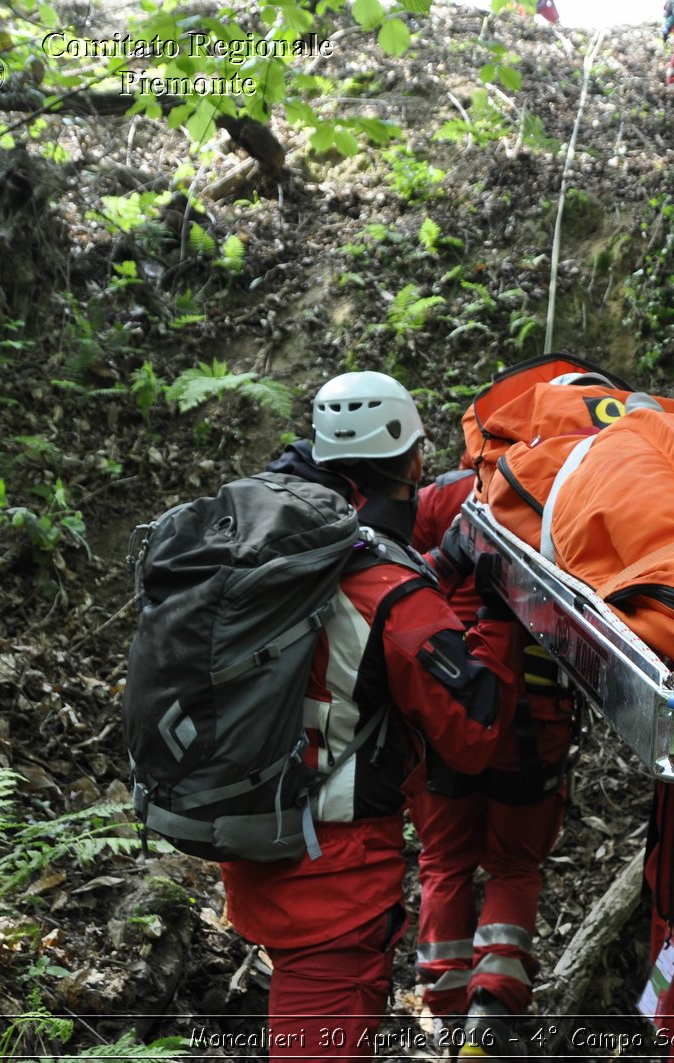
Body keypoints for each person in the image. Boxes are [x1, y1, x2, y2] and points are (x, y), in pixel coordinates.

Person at [217, 371, 518, 1060]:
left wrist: (433, 570)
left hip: (257, 828)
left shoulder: (279, 547)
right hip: (332, 876)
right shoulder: (392, 593)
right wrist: (498, 614)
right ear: (415, 461)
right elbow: (471, 735)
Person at [408, 479, 576, 1057]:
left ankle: (450, 1015)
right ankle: (492, 1009)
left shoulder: (437, 499)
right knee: (513, 864)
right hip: (534, 715)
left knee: (445, 860)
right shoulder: (562, 493)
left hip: (445, 707)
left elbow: (408, 583)